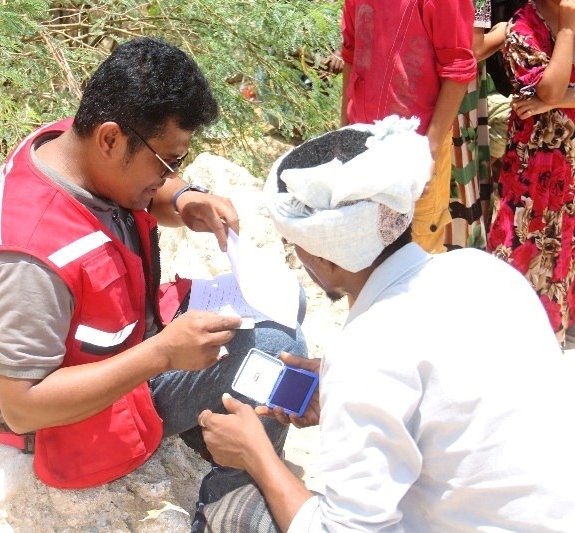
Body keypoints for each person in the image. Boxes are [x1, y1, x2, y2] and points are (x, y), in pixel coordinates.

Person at [0, 37, 307, 530]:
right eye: (167, 162)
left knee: (285, 302)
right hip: (71, 418)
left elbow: (141, 190)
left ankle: (218, 440)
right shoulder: (27, 258)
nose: (171, 175)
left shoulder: (68, 147)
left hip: (127, 341)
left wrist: (183, 198)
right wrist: (162, 355)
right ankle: (231, 506)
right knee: (274, 347)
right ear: (110, 139)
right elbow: (24, 407)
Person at [197, 116, 575, 532]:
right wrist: (343, 389)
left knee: (236, 513)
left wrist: (256, 455)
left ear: (324, 257)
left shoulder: (368, 350)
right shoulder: (485, 270)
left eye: (297, 247)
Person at [340, 0, 477, 254]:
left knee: (414, 257)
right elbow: (351, 53)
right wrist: (343, 133)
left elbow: (458, 70)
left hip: (417, 150)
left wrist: (429, 152)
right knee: (361, 256)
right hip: (362, 144)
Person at [487, 0, 575, 346]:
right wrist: (567, 28)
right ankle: (521, 334)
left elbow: (551, 94)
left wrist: (555, 100)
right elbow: (550, 88)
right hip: (536, 164)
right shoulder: (521, 29)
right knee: (523, 241)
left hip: (566, 159)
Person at [447, 0, 508, 249]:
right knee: (458, 177)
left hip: (414, 86)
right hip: (456, 92)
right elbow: (474, 49)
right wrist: (506, 28)